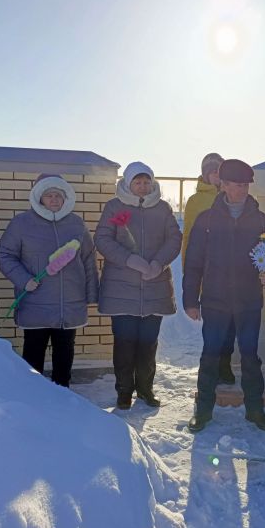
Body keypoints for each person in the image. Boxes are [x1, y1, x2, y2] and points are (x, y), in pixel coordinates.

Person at [183, 159, 265, 433]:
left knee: (250, 356)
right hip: (215, 301)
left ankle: (255, 410)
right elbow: (193, 262)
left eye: (246, 185)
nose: (244, 189)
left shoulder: (260, 220)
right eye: (238, 185)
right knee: (210, 355)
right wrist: (191, 299)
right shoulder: (207, 220)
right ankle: (203, 411)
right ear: (223, 186)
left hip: (249, 302)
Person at [0, 174, 99, 387]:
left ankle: (63, 393)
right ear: (39, 198)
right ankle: (33, 394)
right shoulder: (22, 223)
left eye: (58, 195)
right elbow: (5, 255)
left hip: (69, 304)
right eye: (48, 195)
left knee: (65, 352)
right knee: (33, 353)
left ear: (65, 198)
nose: (53, 199)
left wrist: (91, 293)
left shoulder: (76, 224)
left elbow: (88, 258)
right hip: (36, 303)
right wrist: (24, 280)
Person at [95, 162, 181, 410]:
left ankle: (145, 389)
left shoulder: (163, 208)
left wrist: (157, 263)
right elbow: (102, 238)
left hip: (154, 286)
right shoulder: (114, 206)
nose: (143, 187)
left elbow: (174, 238)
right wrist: (130, 260)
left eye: (146, 182)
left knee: (148, 343)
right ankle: (124, 391)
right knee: (124, 342)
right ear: (128, 183)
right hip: (122, 290)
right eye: (137, 182)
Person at [181, 152, 236, 386]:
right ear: (205, 173)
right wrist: (191, 275)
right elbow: (189, 240)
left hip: (234, 278)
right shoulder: (196, 201)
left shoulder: (233, 196)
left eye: (219, 171)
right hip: (210, 276)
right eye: (212, 171)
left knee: (232, 325)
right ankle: (211, 368)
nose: (215, 175)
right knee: (214, 327)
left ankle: (226, 365)